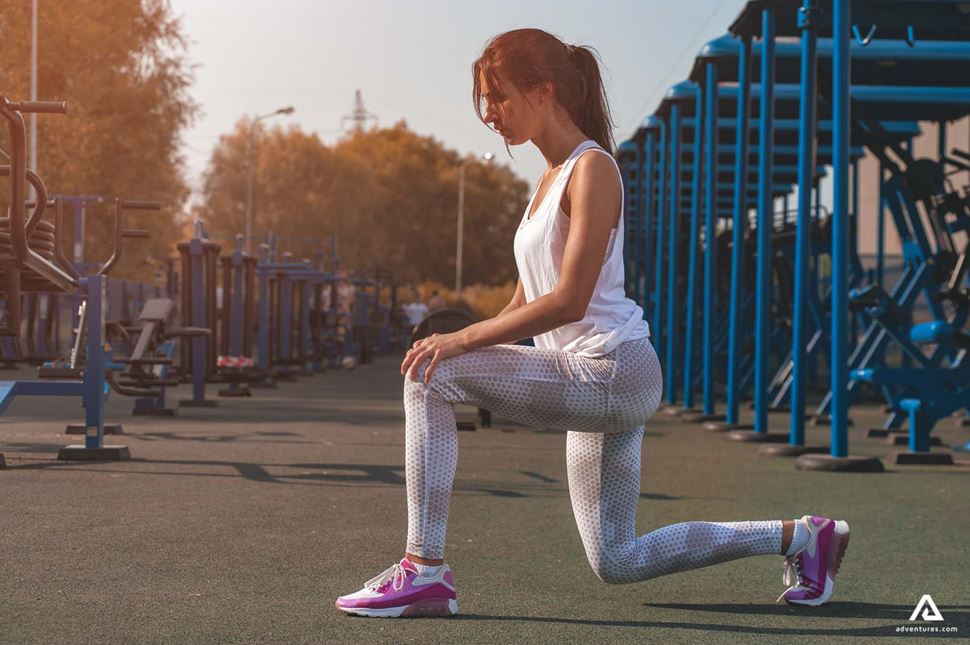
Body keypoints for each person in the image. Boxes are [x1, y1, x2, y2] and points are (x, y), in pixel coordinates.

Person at [335, 28, 849, 619]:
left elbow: (570, 301)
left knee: (429, 376)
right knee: (617, 559)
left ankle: (423, 571)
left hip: (611, 370)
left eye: (498, 97)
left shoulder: (592, 170)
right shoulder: (548, 180)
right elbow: (525, 304)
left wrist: (456, 342)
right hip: (587, 375)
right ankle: (803, 537)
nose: (491, 115)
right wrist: (465, 339)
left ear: (543, 90)